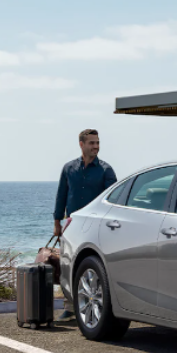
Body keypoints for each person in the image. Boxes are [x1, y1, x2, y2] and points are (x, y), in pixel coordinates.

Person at [53, 129, 117, 320]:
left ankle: (95, 305)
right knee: (68, 265)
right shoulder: (68, 168)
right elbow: (61, 196)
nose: (96, 147)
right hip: (71, 225)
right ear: (81, 144)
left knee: (91, 265)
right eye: (91, 143)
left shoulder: (106, 170)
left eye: (97, 143)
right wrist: (57, 222)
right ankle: (70, 307)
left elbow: (113, 202)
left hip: (95, 226)